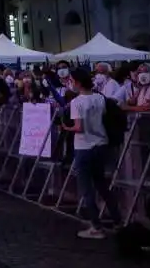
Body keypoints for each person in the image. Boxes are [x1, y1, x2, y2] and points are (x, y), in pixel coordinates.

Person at [60, 67, 122, 239]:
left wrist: (66, 127)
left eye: (71, 80)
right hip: (101, 144)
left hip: (84, 147)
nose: (70, 83)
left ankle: (96, 226)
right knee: (102, 185)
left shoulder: (77, 102)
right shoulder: (99, 98)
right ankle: (117, 221)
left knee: (87, 189)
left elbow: (79, 127)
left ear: (78, 82)